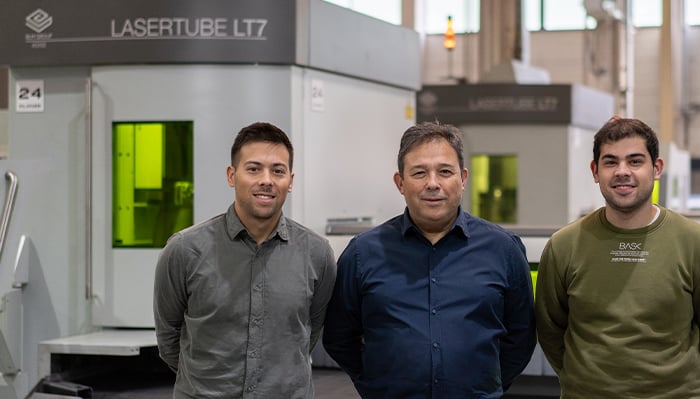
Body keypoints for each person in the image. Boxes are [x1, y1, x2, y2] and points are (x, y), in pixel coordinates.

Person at [322, 121, 537, 398]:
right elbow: (339, 337)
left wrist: (485, 387)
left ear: (463, 178)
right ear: (400, 182)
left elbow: (521, 338)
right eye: (419, 173)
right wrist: (374, 384)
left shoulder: (503, 249)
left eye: (445, 171)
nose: (433, 184)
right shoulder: (363, 253)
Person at [534, 116, 700, 399]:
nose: (622, 171)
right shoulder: (564, 246)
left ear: (657, 168)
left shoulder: (697, 245)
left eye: (635, 161)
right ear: (595, 170)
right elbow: (550, 330)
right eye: (610, 162)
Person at [153, 122, 337, 398]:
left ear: (290, 181)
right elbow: (168, 337)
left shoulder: (317, 253)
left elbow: (311, 330)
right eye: (253, 169)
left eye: (278, 171)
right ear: (231, 175)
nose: (266, 180)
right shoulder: (185, 250)